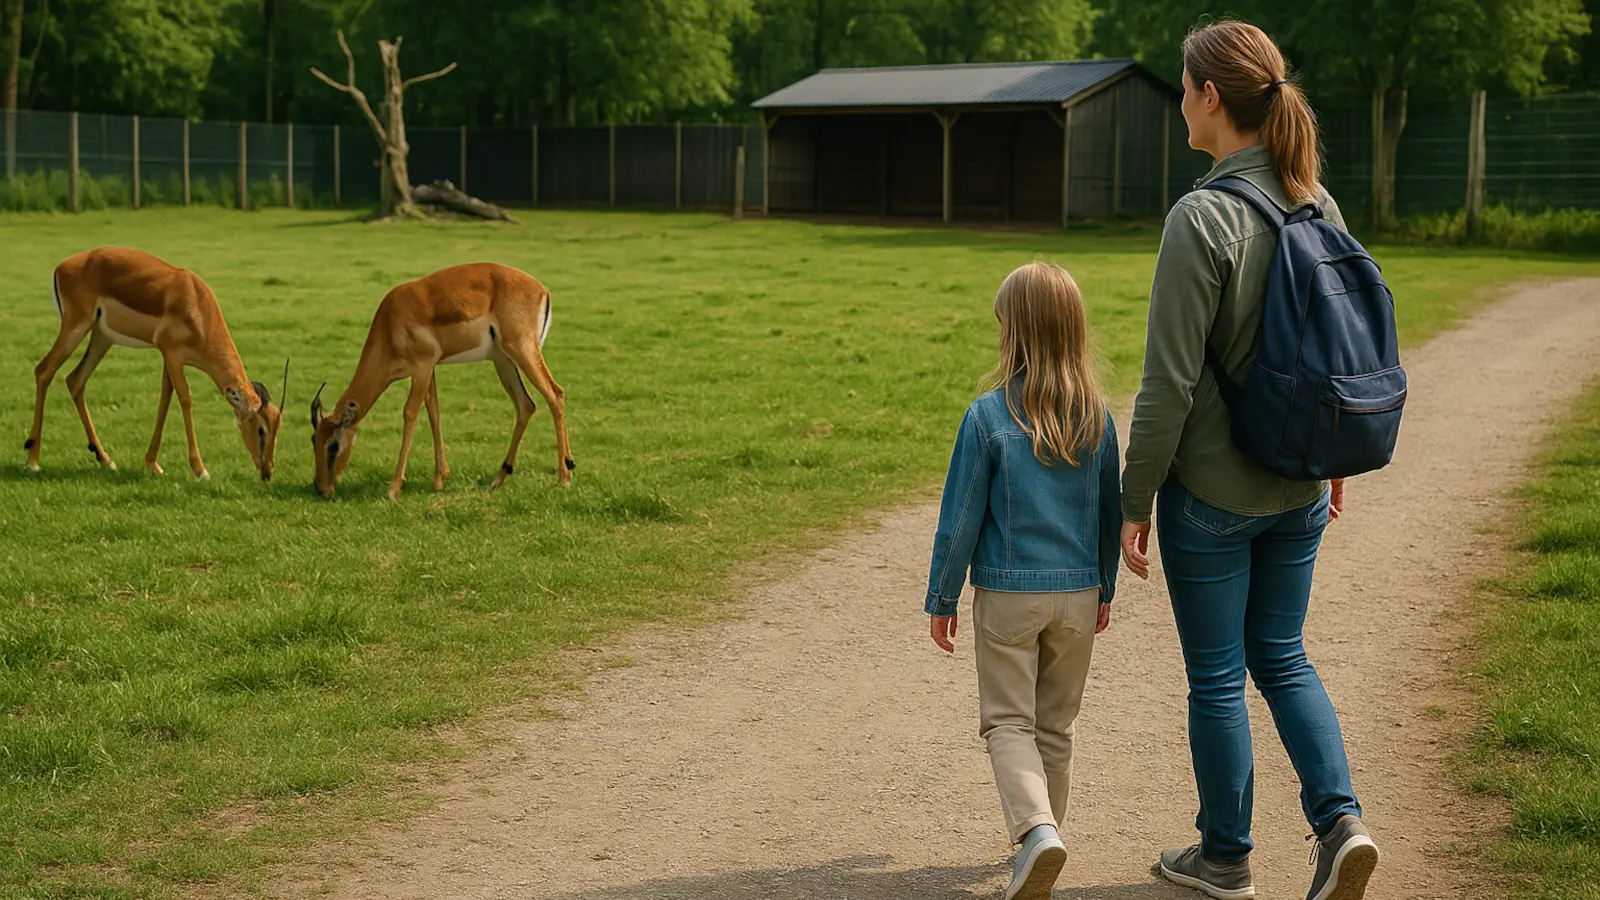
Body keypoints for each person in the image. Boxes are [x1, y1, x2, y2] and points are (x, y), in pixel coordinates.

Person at [1118, 20, 1379, 900]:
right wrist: (1333, 453)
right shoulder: (1318, 200)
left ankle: (1226, 856)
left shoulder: (1202, 218)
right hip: (1302, 484)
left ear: (1210, 98)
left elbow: (1167, 385)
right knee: (1285, 657)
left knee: (1218, 677)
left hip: (1214, 501)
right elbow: (1345, 353)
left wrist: (1135, 497)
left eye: (1185, 88)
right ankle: (1340, 823)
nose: (1181, 101)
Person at [923, 261, 1120, 900]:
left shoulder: (987, 418)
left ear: (1015, 334)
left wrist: (942, 598)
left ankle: (1036, 833)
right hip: (1078, 592)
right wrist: (1104, 589)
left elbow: (960, 520)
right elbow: (1110, 514)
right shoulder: (1098, 418)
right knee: (1056, 726)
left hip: (1009, 593)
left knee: (1008, 723)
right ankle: (1047, 838)